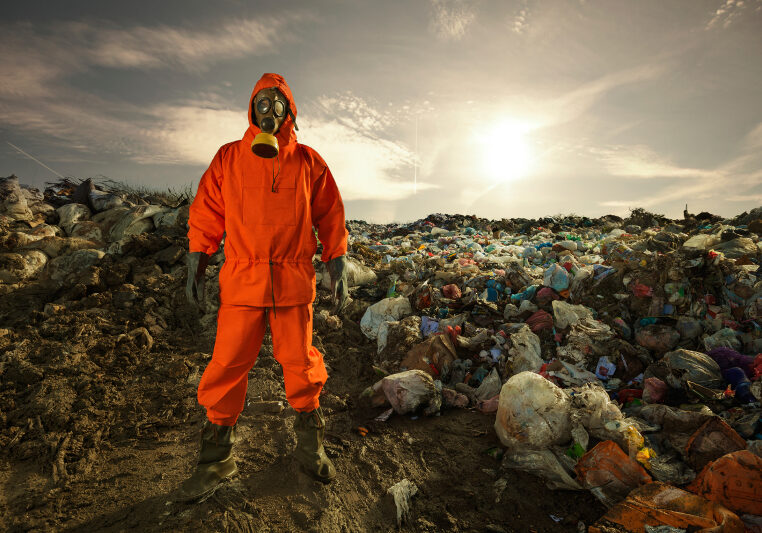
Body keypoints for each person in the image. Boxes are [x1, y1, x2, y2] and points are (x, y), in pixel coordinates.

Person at [178, 73, 349, 502]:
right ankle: (215, 459)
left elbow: (330, 213)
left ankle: (310, 446)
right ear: (250, 110)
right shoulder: (229, 159)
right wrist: (198, 254)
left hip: (293, 281)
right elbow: (207, 209)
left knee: (300, 363)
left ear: (288, 112)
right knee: (228, 364)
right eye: (260, 103)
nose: (267, 111)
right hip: (242, 280)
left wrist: (336, 258)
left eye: (276, 104)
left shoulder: (309, 162)